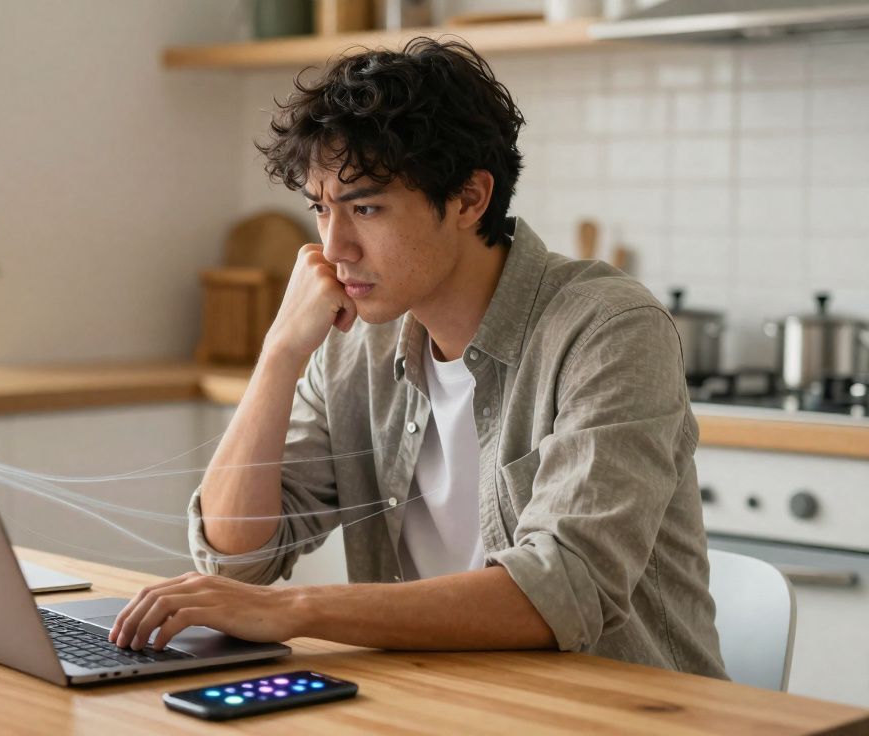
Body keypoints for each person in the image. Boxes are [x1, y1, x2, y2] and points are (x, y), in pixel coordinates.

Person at [108, 37, 726, 679]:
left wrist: (294, 610)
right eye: (321, 210)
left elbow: (563, 590)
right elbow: (238, 559)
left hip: (624, 714)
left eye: (366, 208)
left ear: (468, 199)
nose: (333, 247)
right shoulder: (355, 343)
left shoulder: (609, 328)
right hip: (443, 705)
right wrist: (279, 353)